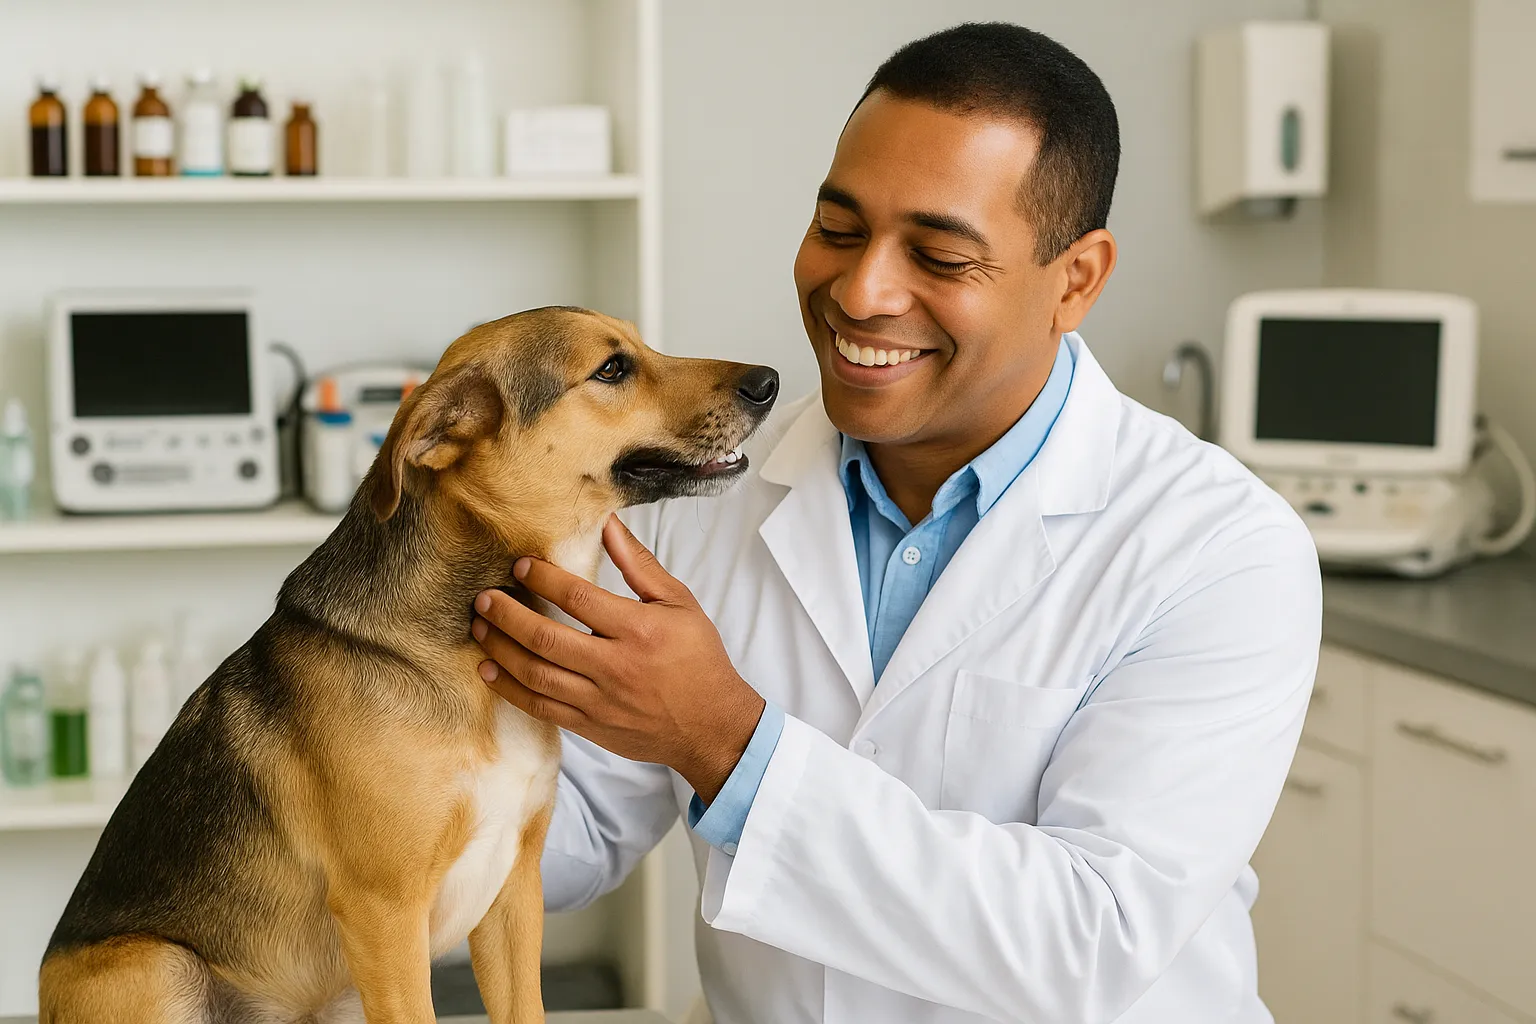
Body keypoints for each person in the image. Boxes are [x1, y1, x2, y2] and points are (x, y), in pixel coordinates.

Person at [470, 21, 1320, 1024]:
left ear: (1076, 280)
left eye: (940, 256)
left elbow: (1089, 937)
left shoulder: (1218, 548)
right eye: (839, 229)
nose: (861, 292)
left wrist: (729, 743)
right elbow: (571, 826)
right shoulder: (703, 499)